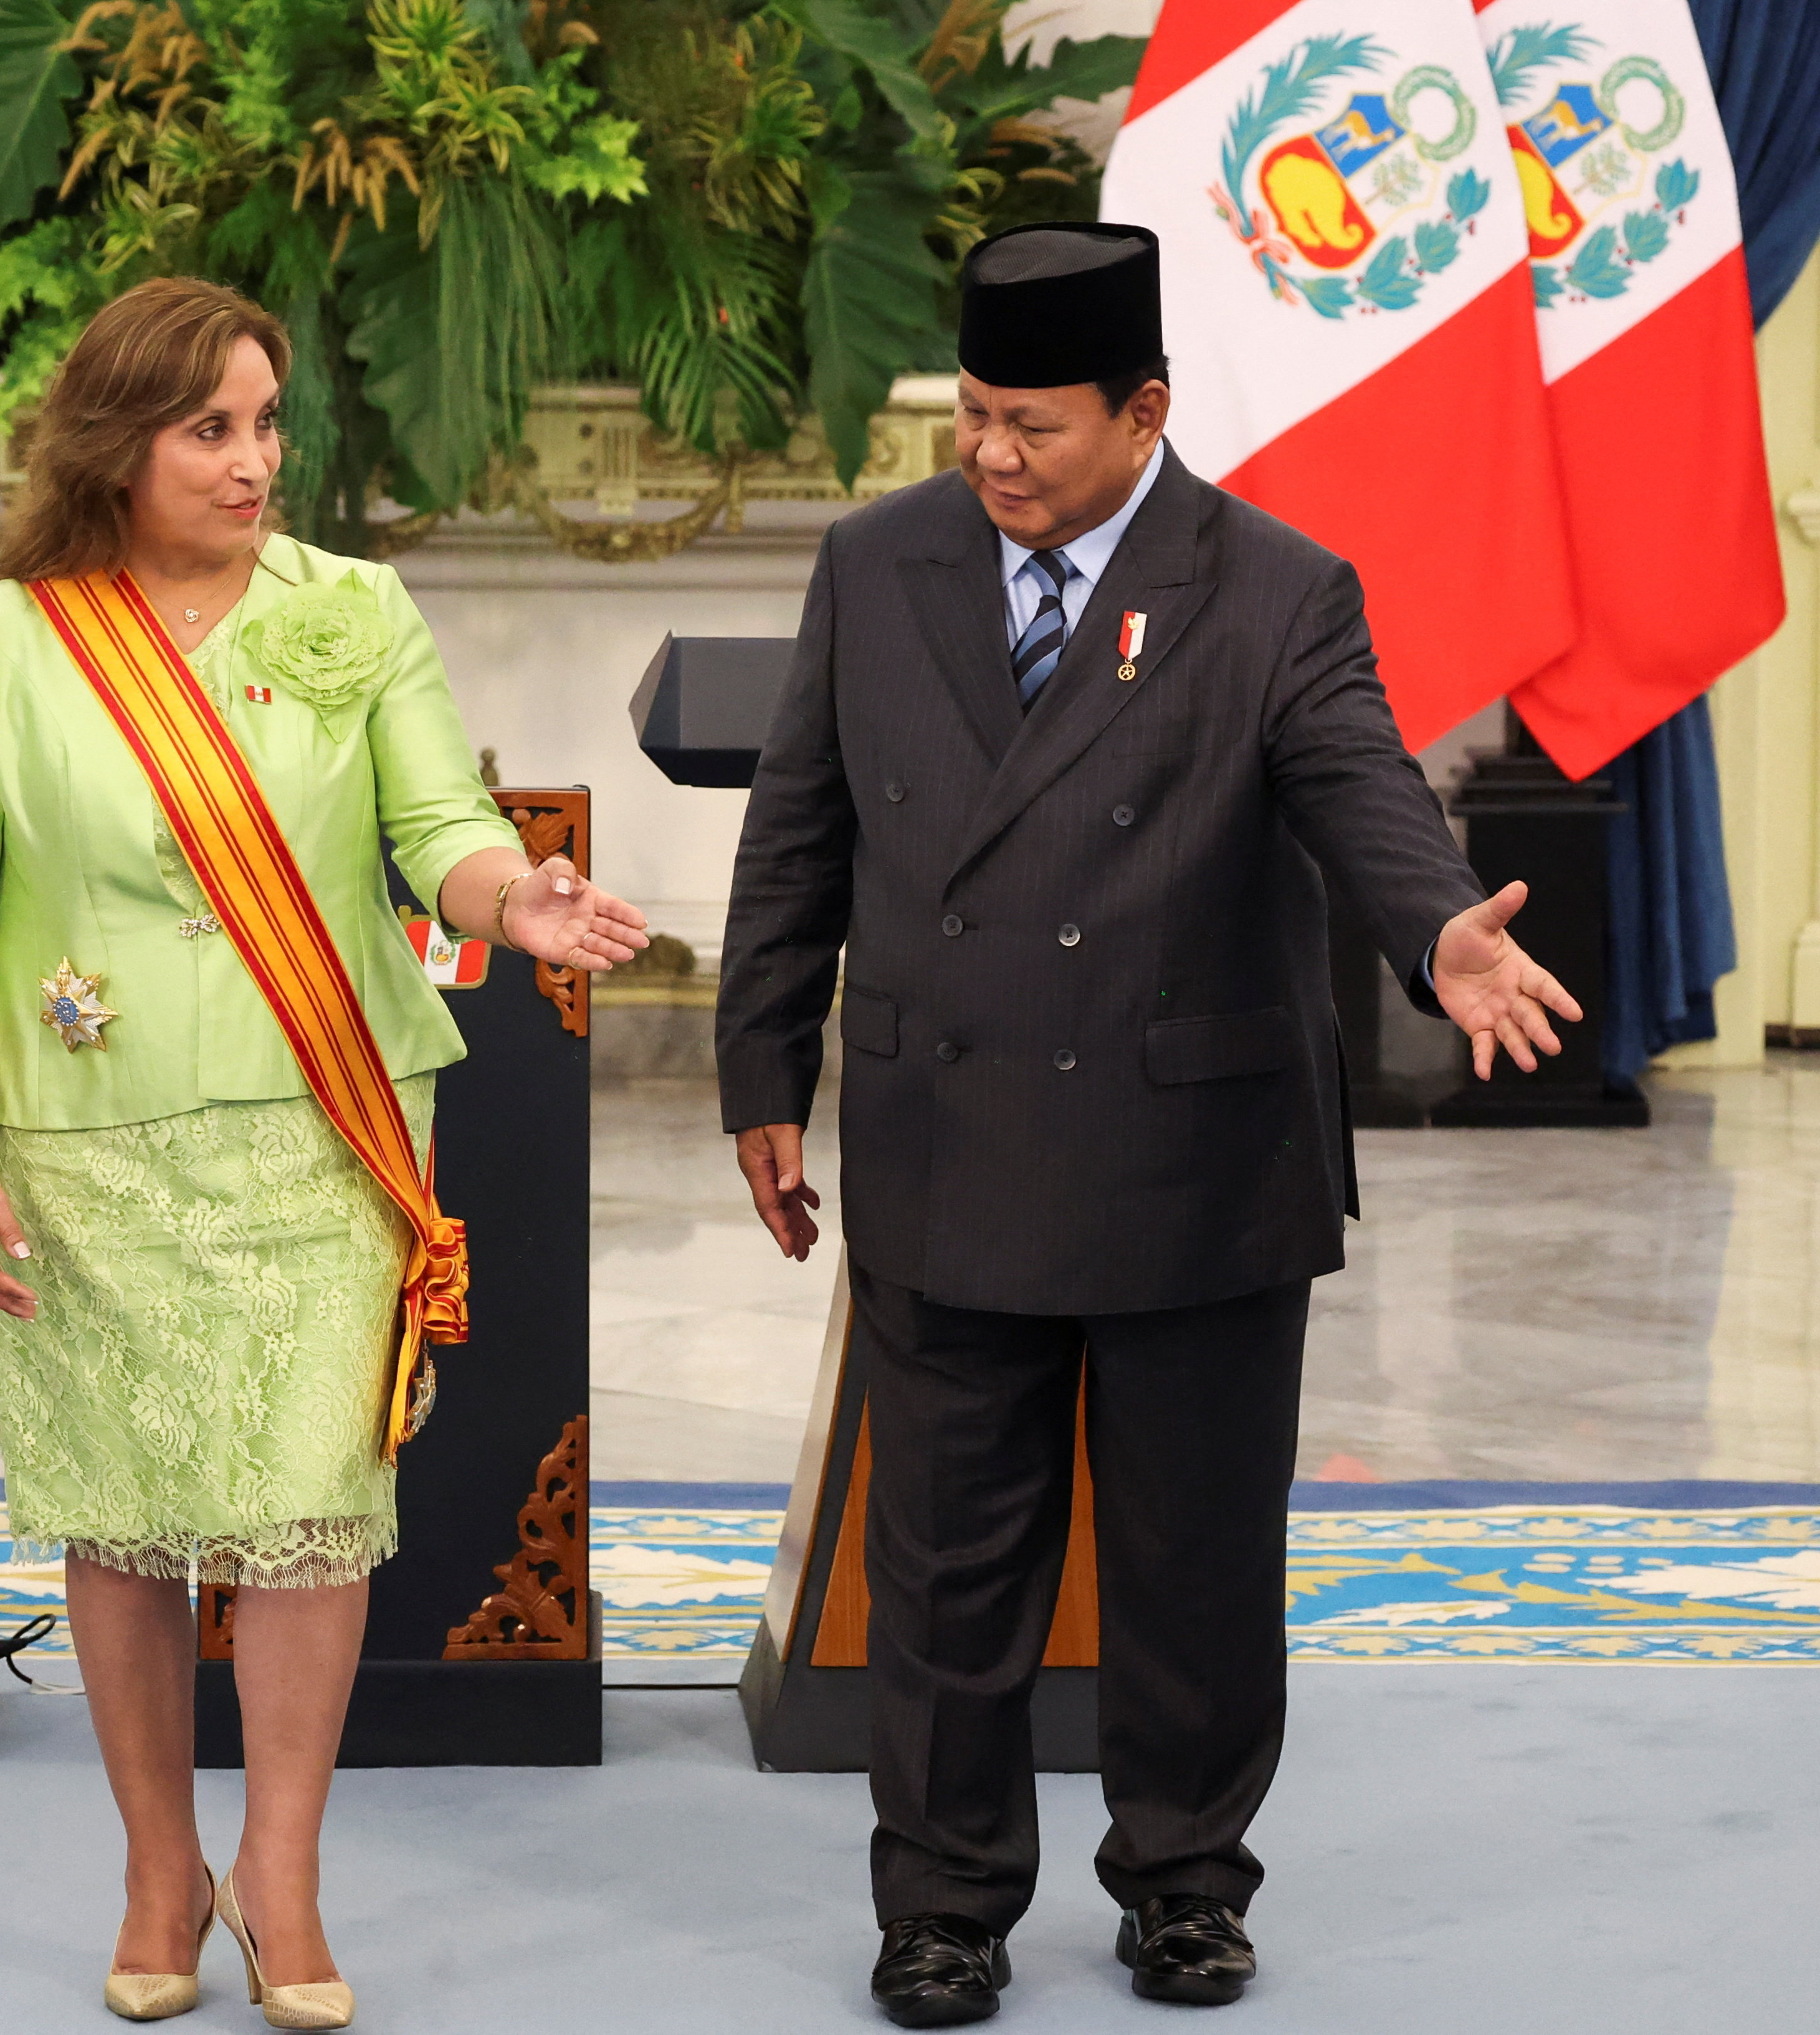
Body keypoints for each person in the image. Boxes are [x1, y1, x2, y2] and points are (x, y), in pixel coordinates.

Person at [713, 223, 1581, 2024]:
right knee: (944, 1565)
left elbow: (1359, 786)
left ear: (1145, 413)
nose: (988, 454)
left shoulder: (1271, 587)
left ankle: (1185, 1881)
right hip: (946, 1139)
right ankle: (940, 1904)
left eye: (1028, 423)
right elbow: (798, 832)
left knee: (1193, 1558)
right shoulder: (877, 567)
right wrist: (756, 1076)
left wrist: (1435, 931)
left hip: (1194, 1154)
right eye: (969, 415)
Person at [0, 277, 647, 2029]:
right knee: (128, 1514)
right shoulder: (2, 640)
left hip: (323, 1122)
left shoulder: (353, 612)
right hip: (83, 1138)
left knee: (312, 1508)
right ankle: (161, 1864)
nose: (251, 461)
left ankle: (279, 1867)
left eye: (266, 422)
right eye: (207, 428)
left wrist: (513, 897)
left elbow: (437, 825)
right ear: (113, 441)